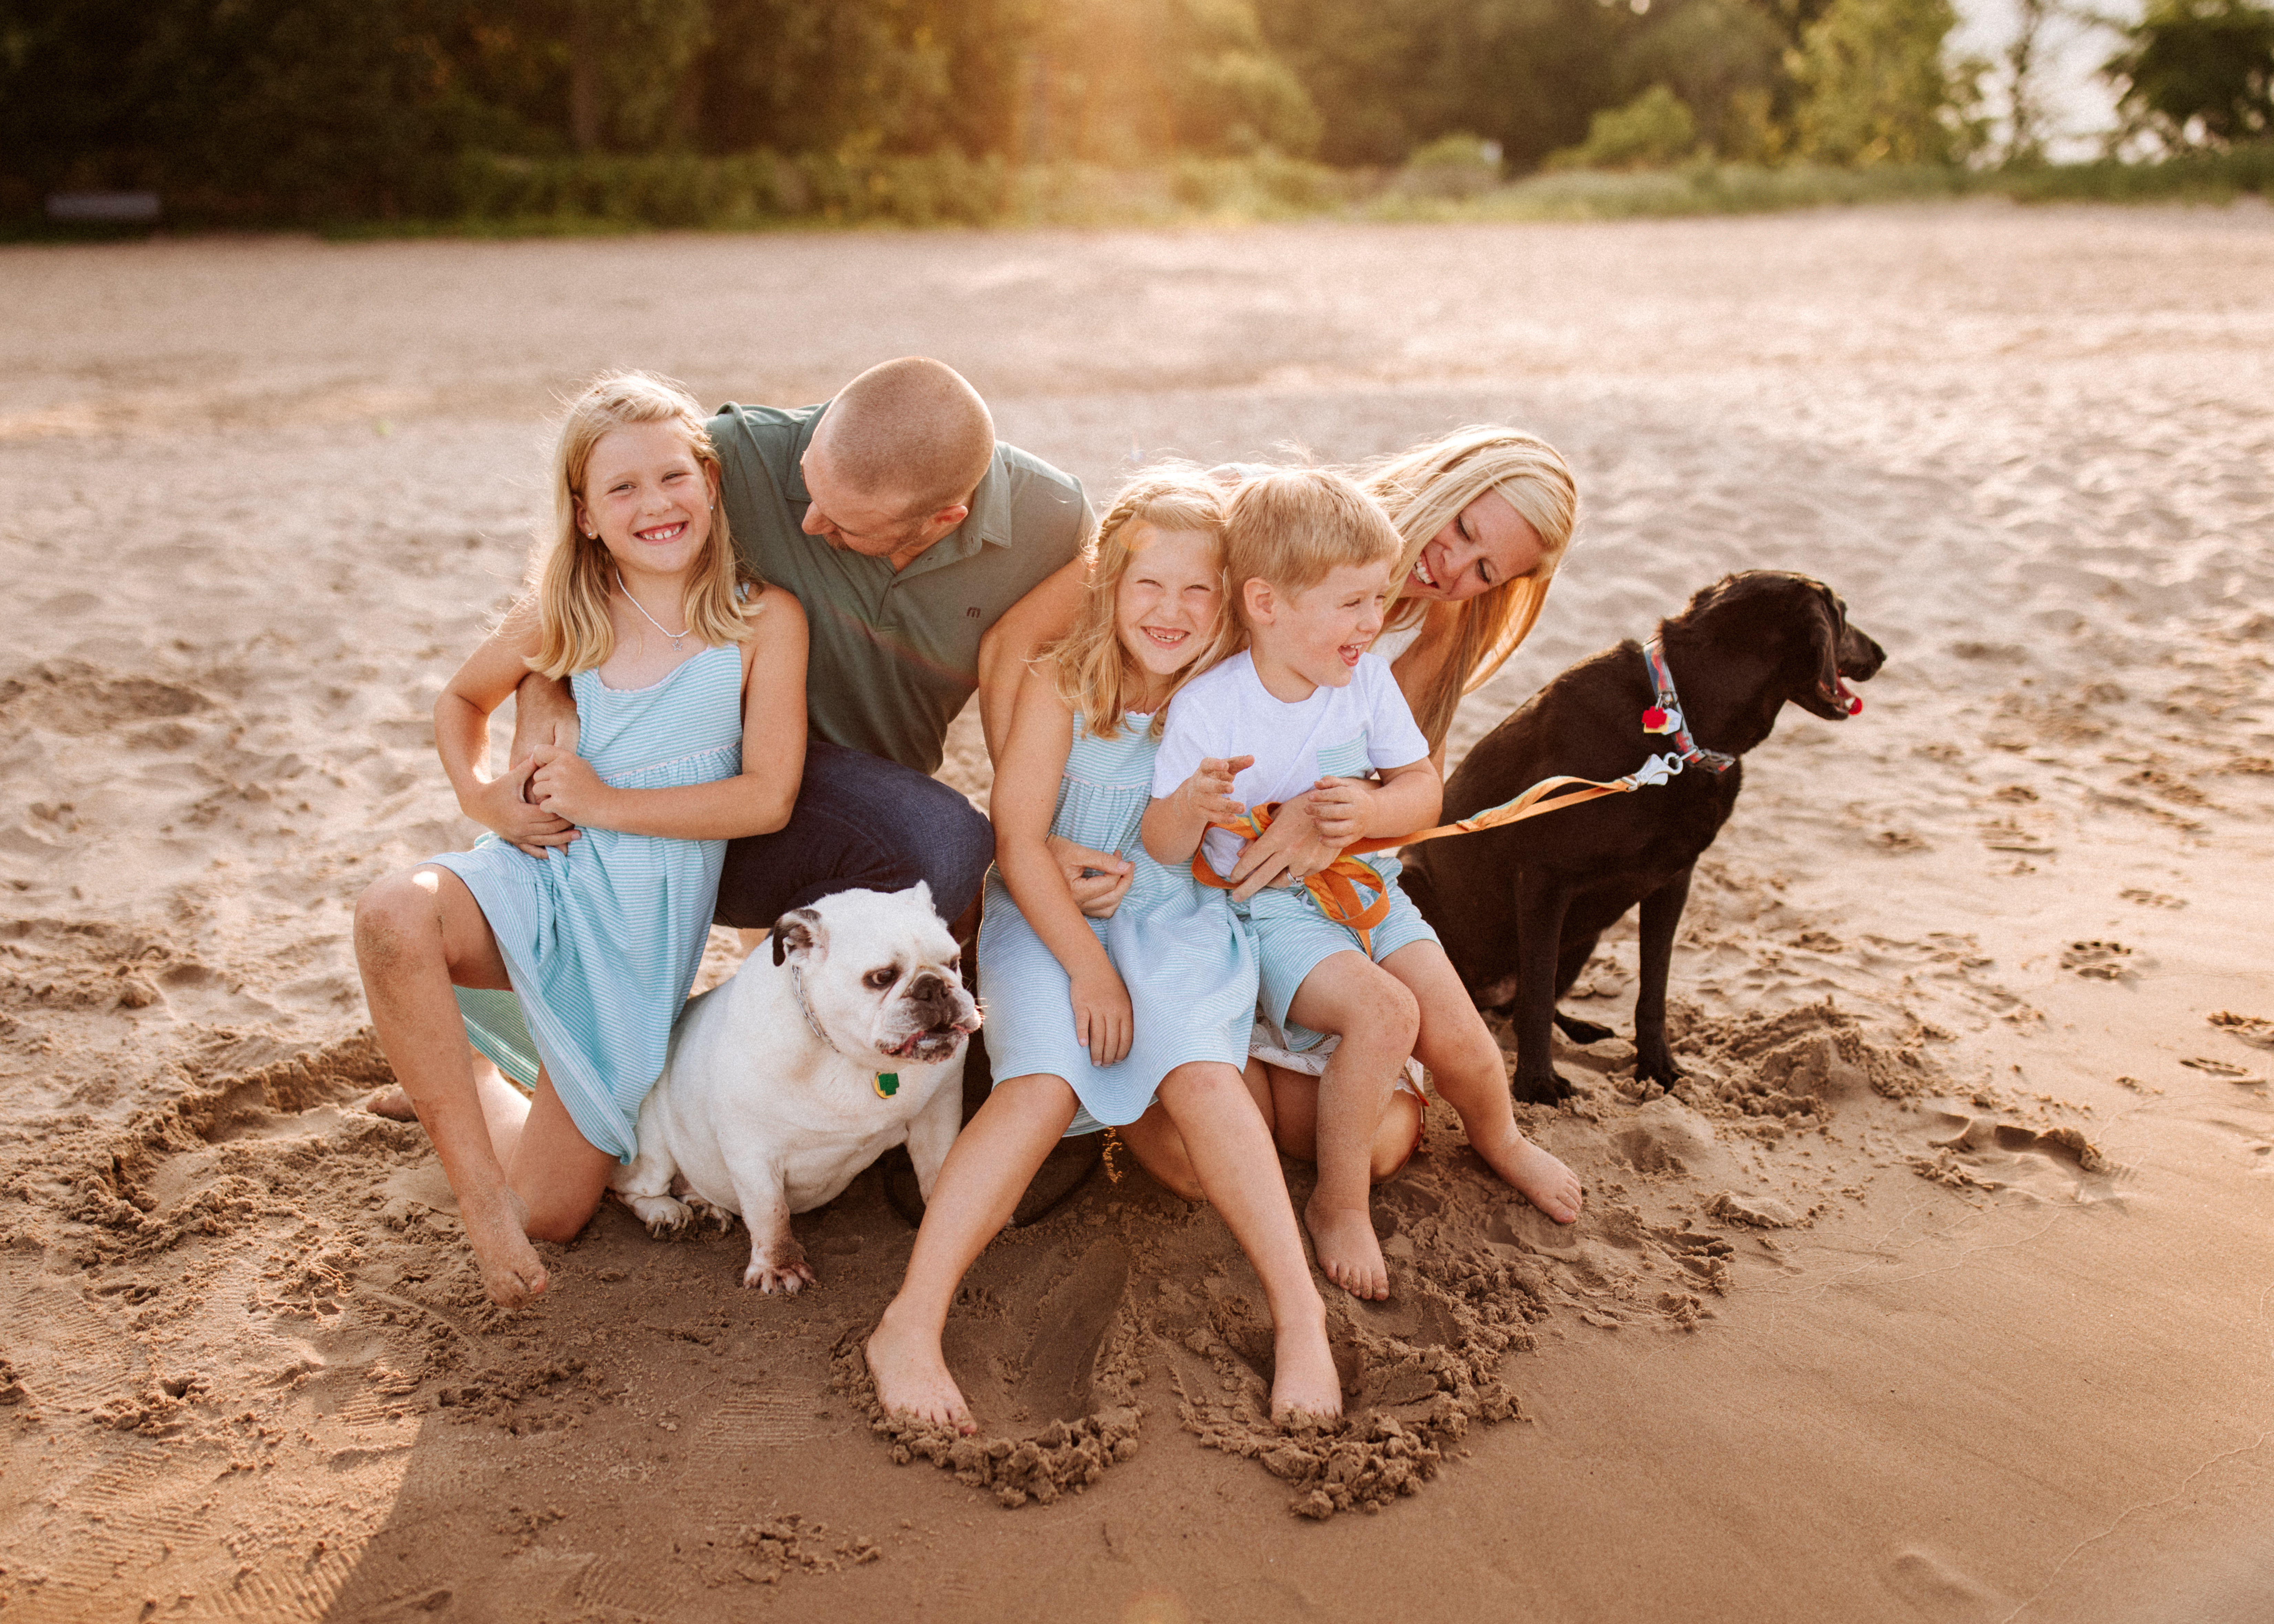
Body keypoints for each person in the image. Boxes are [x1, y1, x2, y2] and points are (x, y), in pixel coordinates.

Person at [864, 467, 1340, 1430]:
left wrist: (1204, 819)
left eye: (1196, 589)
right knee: (1037, 1081)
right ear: (1109, 590)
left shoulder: (1219, 699)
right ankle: (908, 1321)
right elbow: (1016, 839)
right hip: (1048, 908)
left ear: (1230, 599)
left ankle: (1302, 1315)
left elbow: (1177, 842)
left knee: (1206, 1077)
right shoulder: (1060, 683)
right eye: (1147, 586)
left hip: (1167, 910)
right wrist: (1085, 961)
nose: (1170, 611)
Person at [353, 373, 809, 1307]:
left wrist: (602, 798)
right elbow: (458, 701)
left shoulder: (762, 620)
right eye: (622, 488)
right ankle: (478, 1193)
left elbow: (765, 799)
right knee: (394, 913)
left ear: (711, 484)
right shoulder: (571, 610)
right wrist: (483, 801)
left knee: (554, 1209)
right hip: (539, 878)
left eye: (672, 477)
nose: (655, 504)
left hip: (631, 940)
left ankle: (467, 1070)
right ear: (587, 515)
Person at [1143, 470, 1582, 1304]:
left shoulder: (1364, 680)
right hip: (1271, 910)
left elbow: (1425, 791)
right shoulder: (1210, 706)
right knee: (1385, 1013)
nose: (1374, 623)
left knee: (1461, 1036)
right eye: (1355, 605)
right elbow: (1166, 849)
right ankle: (1339, 1206)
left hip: (1372, 893)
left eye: (1378, 601)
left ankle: (1502, 1137)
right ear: (1267, 605)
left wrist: (1374, 804)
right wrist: (1189, 807)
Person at [509, 356, 1122, 936]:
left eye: (842, 524)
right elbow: (587, 550)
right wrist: (543, 687)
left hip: (869, 800)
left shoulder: (1054, 522)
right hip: (700, 775)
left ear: (943, 520)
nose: (810, 523)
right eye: (810, 490)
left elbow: (1053, 683)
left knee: (956, 864)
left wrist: (1038, 839)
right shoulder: (737, 455)